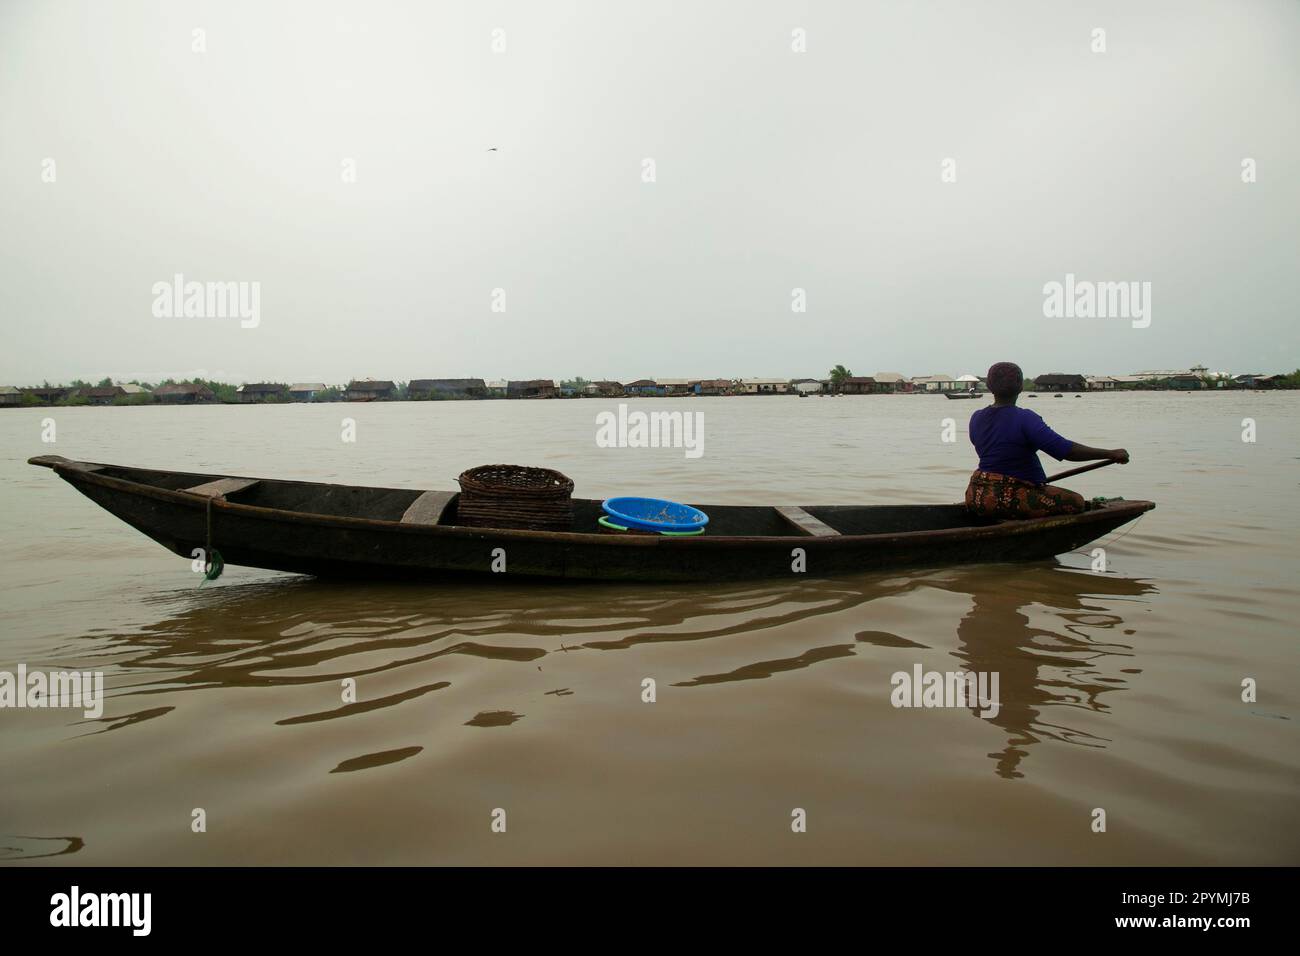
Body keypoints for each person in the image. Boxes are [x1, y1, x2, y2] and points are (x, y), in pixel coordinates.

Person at [965, 362, 1129, 519]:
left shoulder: (977, 417)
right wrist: (1111, 454)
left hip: (977, 494)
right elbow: (1067, 451)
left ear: (989, 386)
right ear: (1020, 386)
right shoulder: (1026, 418)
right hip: (1007, 496)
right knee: (1076, 502)